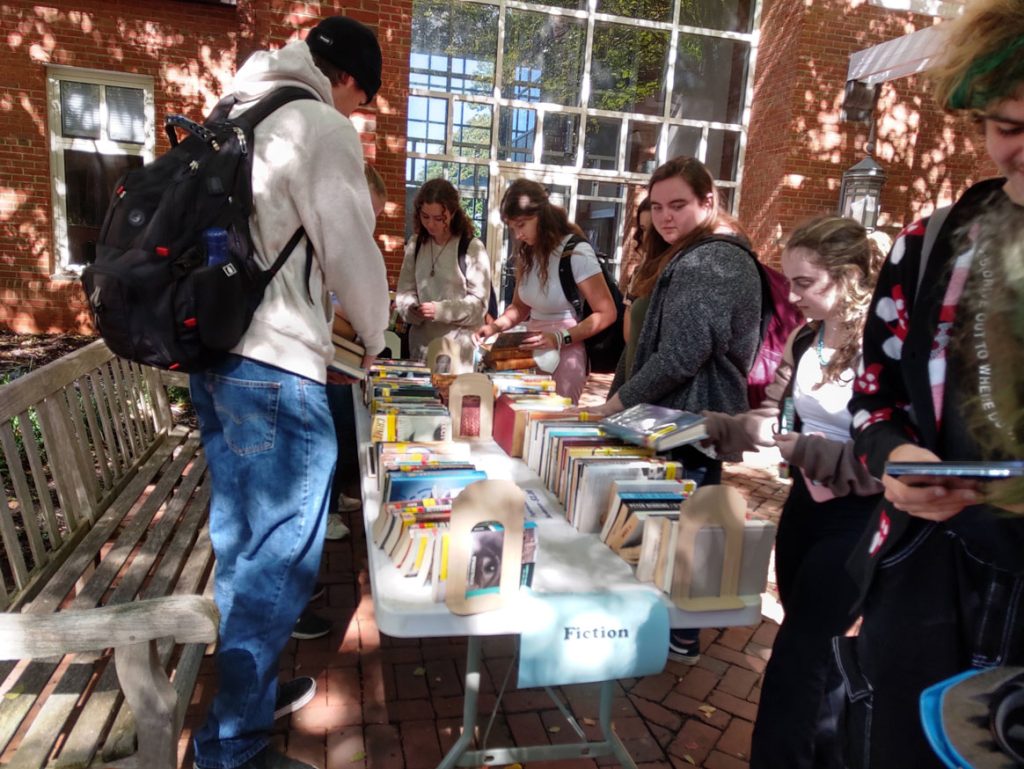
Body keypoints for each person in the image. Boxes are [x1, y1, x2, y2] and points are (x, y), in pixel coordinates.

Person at [189, 16, 390, 769]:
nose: (357, 114)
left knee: (244, 544)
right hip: (276, 368)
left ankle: (252, 690)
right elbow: (351, 254)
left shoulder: (238, 109)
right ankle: (231, 746)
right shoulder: (317, 126)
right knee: (283, 560)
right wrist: (377, 336)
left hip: (219, 362)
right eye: (362, 99)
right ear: (346, 80)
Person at [839, 1, 1024, 765]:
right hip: (933, 570)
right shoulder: (933, 240)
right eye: (1010, 128)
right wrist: (894, 458)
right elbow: (872, 394)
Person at [701, 216, 884, 769]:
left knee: (798, 658)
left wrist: (803, 451)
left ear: (848, 278)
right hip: (805, 509)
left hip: (859, 519)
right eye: (791, 281)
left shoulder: (883, 347)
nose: (793, 294)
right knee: (819, 653)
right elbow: (774, 417)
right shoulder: (808, 337)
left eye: (806, 283)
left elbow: (888, 458)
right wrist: (715, 427)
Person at [572, 155, 763, 664]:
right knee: (674, 524)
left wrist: (616, 404)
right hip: (678, 417)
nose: (665, 217)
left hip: (688, 419)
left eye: (678, 204)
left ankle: (678, 634)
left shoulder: (712, 259)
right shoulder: (692, 253)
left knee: (684, 526)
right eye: (657, 207)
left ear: (709, 201)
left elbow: (682, 351)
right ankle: (672, 629)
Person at [471, 179, 616, 402]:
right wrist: (493, 328)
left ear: (542, 216)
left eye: (521, 225)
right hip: (530, 355)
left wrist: (559, 338)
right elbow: (519, 308)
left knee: (552, 424)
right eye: (513, 227)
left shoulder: (576, 252)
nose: (517, 235)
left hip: (566, 356)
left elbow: (606, 313)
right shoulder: (528, 253)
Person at [395, 178, 491, 372]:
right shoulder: (416, 244)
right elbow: (404, 292)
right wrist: (411, 308)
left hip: (458, 354)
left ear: (453, 213)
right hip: (420, 350)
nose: (431, 224)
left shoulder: (471, 247)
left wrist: (440, 310)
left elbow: (479, 305)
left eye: (439, 218)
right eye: (425, 216)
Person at [618, 196, 652, 298]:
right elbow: (628, 311)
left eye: (652, 229)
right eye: (643, 229)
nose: (646, 237)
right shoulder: (639, 272)